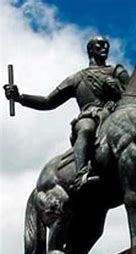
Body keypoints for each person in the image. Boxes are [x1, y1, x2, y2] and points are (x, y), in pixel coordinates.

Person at [4, 36, 129, 192]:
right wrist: (20, 98)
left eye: (106, 45)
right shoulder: (76, 79)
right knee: (85, 129)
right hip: (90, 115)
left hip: (115, 113)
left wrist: (118, 89)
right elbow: (48, 101)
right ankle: (81, 173)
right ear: (90, 49)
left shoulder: (116, 71)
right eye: (100, 45)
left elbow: (133, 95)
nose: (105, 48)